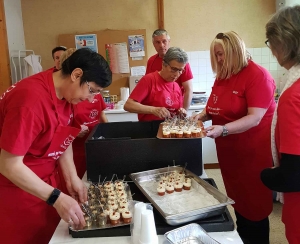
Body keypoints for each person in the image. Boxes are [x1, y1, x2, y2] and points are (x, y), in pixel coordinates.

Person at [0, 48, 112, 244]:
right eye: (92, 90)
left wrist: (72, 177)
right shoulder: (30, 102)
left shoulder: (65, 94)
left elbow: (62, 136)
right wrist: (55, 198)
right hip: (17, 190)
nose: (91, 99)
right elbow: (9, 165)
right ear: (76, 75)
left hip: (46, 185)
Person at [193, 31, 276, 244]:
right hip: (230, 155)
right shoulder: (223, 76)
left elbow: (255, 118)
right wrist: (202, 115)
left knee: (254, 208)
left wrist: (223, 129)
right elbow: (213, 107)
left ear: (235, 51)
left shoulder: (258, 75)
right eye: (216, 55)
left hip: (252, 154)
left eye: (221, 54)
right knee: (237, 203)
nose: (219, 60)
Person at [260, 5, 300, 244]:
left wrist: (265, 176)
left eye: (270, 42)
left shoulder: (293, 95)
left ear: (284, 43)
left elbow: (294, 175)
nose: (272, 49)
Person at [60, 48, 108, 181]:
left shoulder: (93, 93)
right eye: (91, 91)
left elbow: (101, 115)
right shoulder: (71, 97)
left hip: (93, 144)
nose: (90, 98)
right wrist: (74, 131)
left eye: (95, 92)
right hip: (74, 149)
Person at [124, 47, 187, 121]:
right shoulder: (149, 80)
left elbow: (176, 111)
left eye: (180, 70)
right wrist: (153, 110)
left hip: (169, 128)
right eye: (174, 69)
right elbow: (128, 105)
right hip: (150, 128)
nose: (177, 74)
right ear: (163, 65)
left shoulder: (176, 86)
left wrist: (181, 112)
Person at [146, 29, 193, 110]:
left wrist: (184, 110)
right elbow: (148, 87)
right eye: (157, 42)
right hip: (156, 110)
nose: (161, 45)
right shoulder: (151, 61)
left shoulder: (181, 61)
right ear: (153, 44)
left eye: (164, 41)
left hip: (175, 108)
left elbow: (188, 89)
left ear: (169, 41)